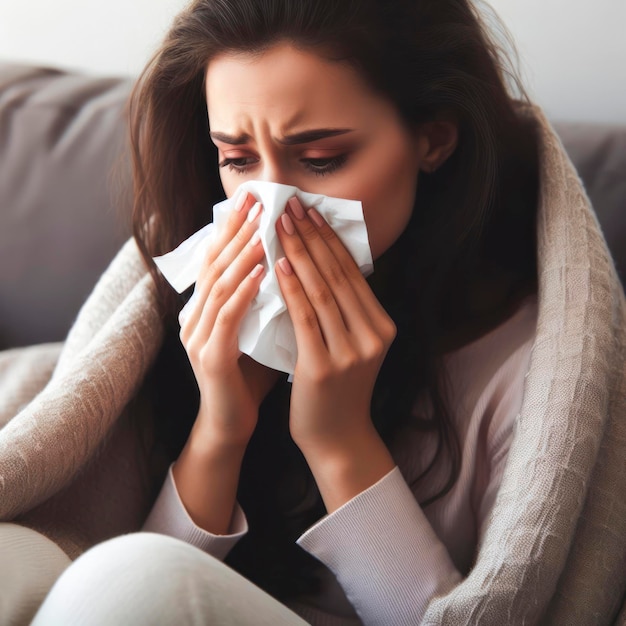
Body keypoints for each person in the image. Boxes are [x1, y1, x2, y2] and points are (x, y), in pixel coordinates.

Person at [1, 0, 624, 624]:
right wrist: (220, 426)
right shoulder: (196, 299)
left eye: (321, 159)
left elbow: (146, 586)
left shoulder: (532, 373)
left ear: (433, 138)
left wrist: (339, 440)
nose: (270, 205)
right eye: (238, 160)